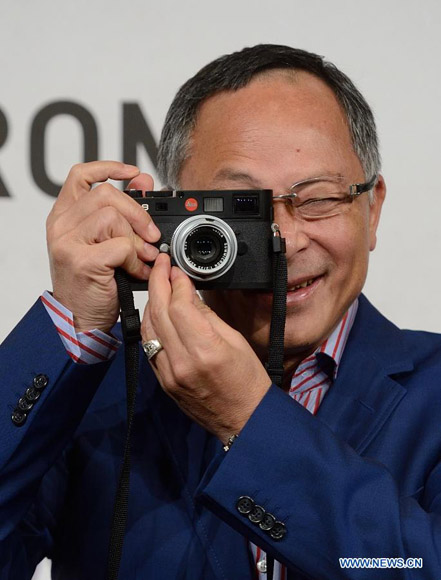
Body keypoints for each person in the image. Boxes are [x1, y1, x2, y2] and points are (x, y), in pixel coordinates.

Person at [0, 43, 439, 580]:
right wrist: (71, 329)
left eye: (319, 197)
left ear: (372, 210)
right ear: (170, 225)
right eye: (241, 209)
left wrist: (249, 421)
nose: (285, 239)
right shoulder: (97, 393)